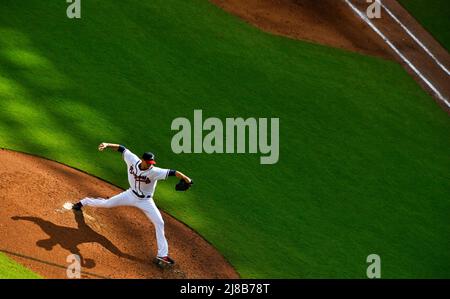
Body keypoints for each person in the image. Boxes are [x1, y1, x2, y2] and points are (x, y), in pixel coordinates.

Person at [72, 142, 193, 265]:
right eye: (149, 162)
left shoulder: (155, 171)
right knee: (107, 204)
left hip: (146, 201)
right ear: (142, 160)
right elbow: (122, 148)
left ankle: (162, 255)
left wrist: (187, 179)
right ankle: (84, 202)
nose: (150, 165)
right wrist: (107, 145)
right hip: (130, 194)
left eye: (152, 163)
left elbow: (174, 172)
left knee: (159, 222)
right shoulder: (132, 160)